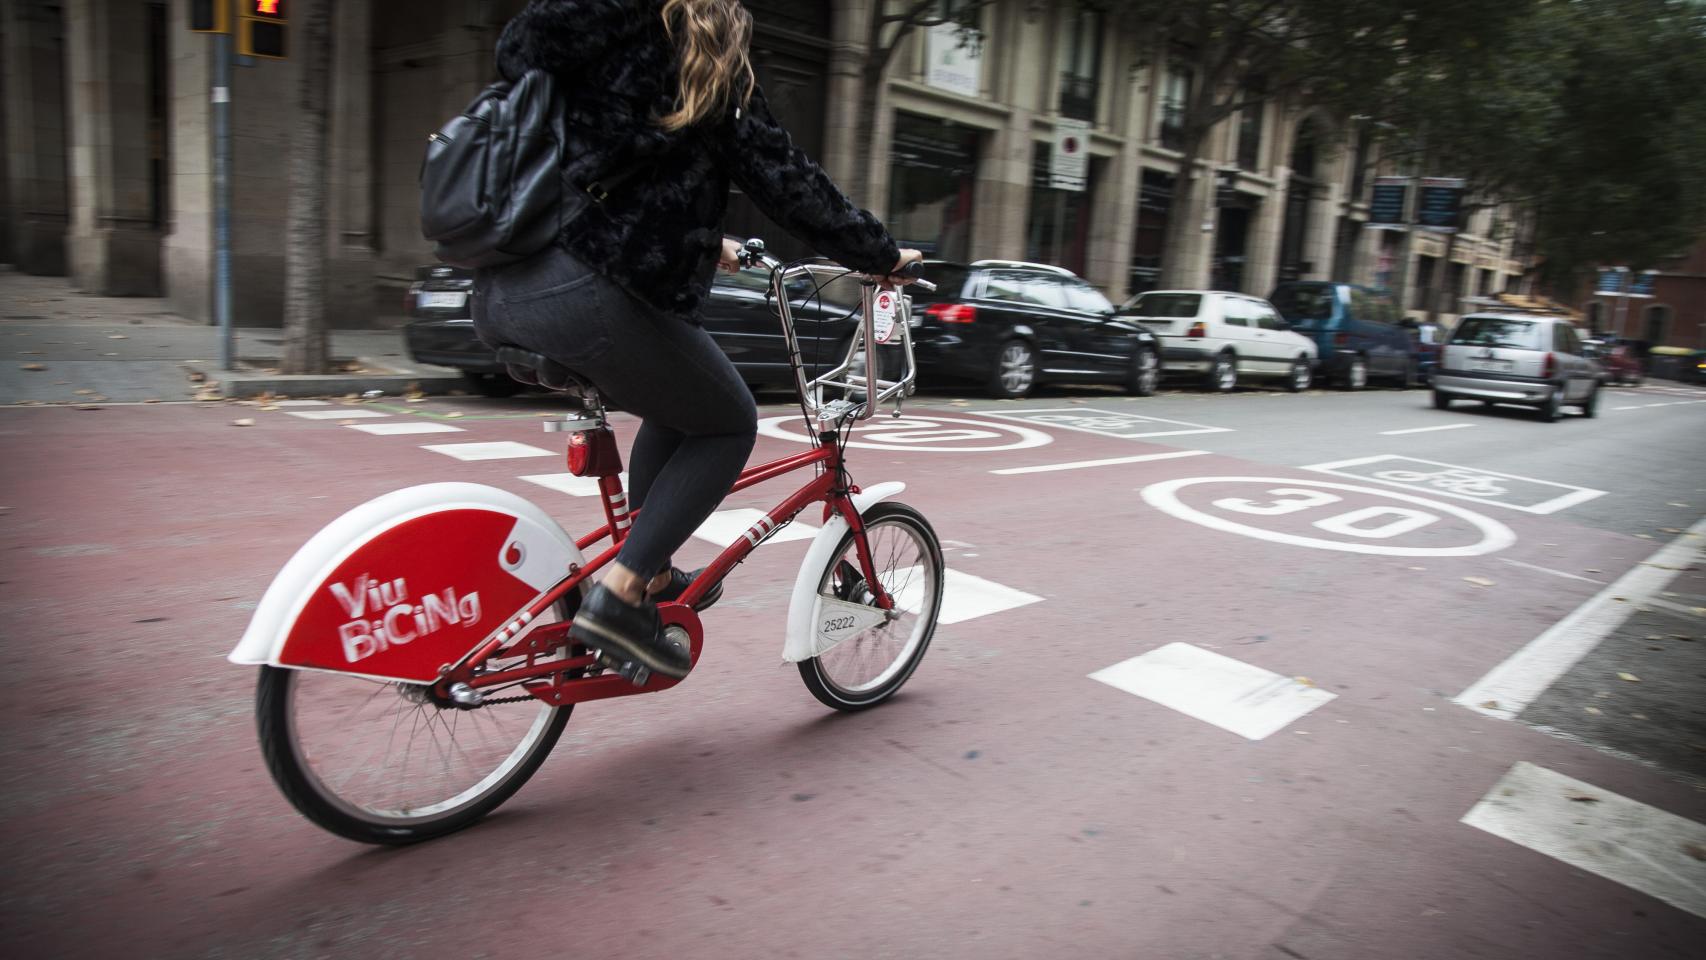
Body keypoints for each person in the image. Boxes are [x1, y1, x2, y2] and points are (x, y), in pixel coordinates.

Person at [472, 0, 922, 680]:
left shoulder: (581, 35)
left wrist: (712, 242)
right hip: (597, 292)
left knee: (677, 408)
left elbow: (615, 170)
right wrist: (880, 253)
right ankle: (622, 594)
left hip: (509, 285)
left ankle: (646, 575)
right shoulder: (700, 54)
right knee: (727, 423)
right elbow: (789, 181)